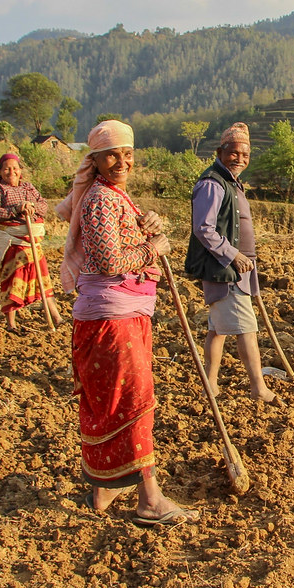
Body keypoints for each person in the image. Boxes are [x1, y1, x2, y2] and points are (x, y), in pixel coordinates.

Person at [55, 119, 198, 526]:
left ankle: (104, 486)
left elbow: (120, 241)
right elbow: (107, 261)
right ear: (95, 160)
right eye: (112, 155)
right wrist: (153, 248)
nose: (122, 161)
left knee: (110, 401)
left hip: (118, 317)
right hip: (112, 322)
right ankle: (149, 499)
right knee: (132, 401)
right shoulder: (101, 199)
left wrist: (146, 224)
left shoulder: (114, 197)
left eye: (128, 154)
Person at [184, 122, 278, 404]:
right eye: (234, 153)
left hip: (237, 268)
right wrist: (233, 255)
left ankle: (210, 385)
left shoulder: (230, 182)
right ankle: (258, 388)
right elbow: (203, 228)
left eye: (245, 155)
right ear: (220, 152)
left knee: (219, 329)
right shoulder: (212, 183)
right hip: (226, 269)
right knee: (246, 328)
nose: (240, 159)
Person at [0, 153, 62, 334]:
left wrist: (32, 207)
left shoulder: (28, 187)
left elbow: (43, 205)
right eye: (6, 169)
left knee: (42, 278)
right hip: (12, 241)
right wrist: (17, 209)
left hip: (32, 241)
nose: (11, 172)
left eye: (15, 168)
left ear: (20, 171)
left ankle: (56, 317)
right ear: (0, 171)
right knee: (13, 280)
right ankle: (11, 324)